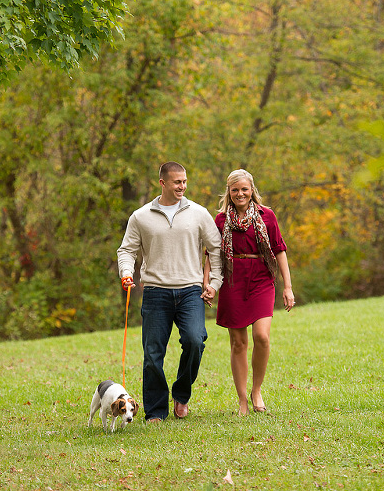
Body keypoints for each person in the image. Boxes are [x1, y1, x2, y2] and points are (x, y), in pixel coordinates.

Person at [117, 162, 224, 423]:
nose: (182, 186)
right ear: (163, 183)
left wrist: (214, 283)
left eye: (185, 181)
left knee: (195, 341)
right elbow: (127, 250)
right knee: (153, 354)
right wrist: (126, 272)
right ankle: (155, 411)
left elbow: (217, 249)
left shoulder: (198, 213)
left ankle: (181, 394)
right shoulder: (140, 216)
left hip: (190, 291)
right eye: (177, 182)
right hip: (155, 293)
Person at [203, 169, 294, 415]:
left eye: (244, 189)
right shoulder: (221, 220)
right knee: (238, 343)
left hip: (261, 279)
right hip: (233, 279)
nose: (240, 194)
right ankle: (243, 399)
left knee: (262, 337)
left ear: (252, 190)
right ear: (229, 193)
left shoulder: (267, 216)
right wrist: (208, 283)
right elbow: (211, 254)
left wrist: (287, 286)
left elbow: (279, 250)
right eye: (235, 190)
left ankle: (257, 390)